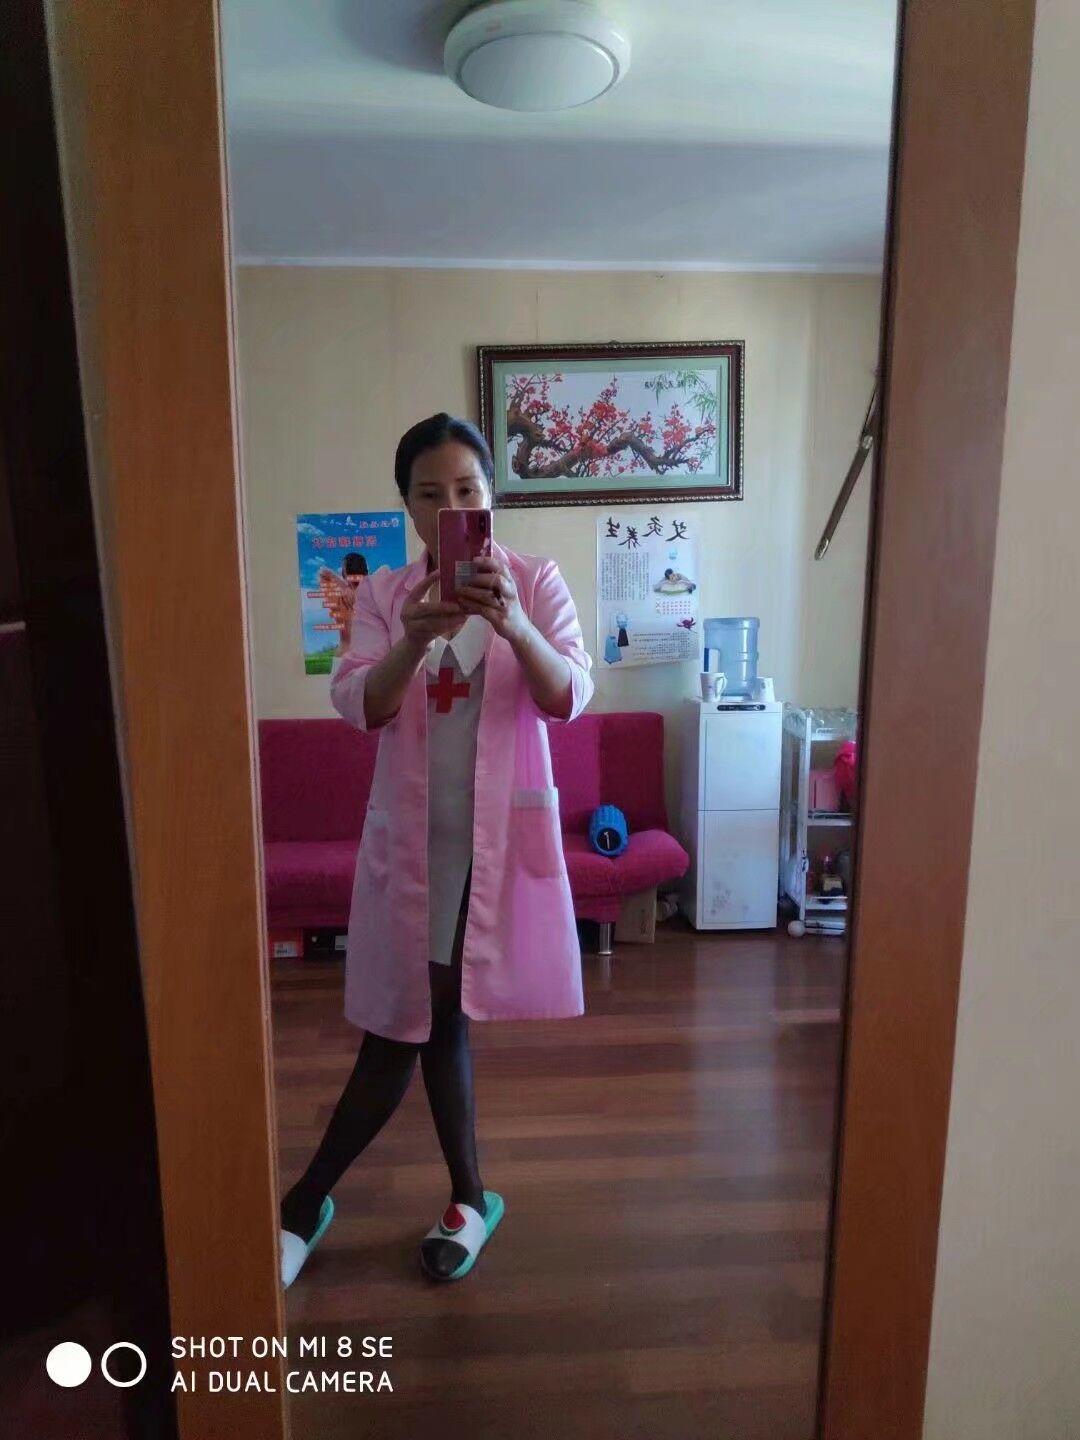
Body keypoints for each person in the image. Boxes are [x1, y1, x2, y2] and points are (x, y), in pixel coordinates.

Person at [279, 413, 594, 1286]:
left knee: (417, 1024)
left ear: (491, 497)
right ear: (408, 507)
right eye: (430, 493)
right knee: (419, 1019)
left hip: (495, 849)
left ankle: (310, 1205)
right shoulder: (385, 595)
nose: (450, 507)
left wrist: (516, 625)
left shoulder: (536, 581)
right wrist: (416, 636)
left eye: (467, 490)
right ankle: (463, 1198)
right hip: (414, 852)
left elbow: (570, 694)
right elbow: (361, 704)